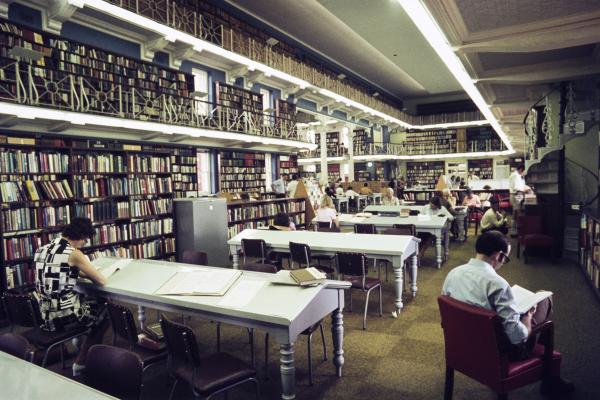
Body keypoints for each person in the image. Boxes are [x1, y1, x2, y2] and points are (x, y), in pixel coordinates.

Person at [442, 231, 574, 395]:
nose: (503, 263)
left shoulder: (453, 273)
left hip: (462, 344)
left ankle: (550, 377)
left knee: (523, 309)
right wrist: (528, 316)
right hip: (499, 352)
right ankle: (550, 380)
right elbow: (518, 337)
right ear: (498, 255)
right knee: (544, 299)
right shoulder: (498, 284)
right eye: (505, 259)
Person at [33, 217, 109, 376]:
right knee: (105, 312)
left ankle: (85, 352)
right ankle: (82, 363)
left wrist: (81, 271)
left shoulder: (43, 248)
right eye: (85, 239)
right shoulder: (74, 253)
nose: (85, 243)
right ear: (81, 235)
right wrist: (90, 273)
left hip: (45, 314)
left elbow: (57, 270)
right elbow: (101, 280)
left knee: (88, 304)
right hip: (64, 316)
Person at [509, 164, 533, 235]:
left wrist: (526, 188)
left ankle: (517, 229)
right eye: (523, 171)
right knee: (517, 212)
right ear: (521, 169)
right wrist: (525, 189)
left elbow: (521, 186)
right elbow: (517, 187)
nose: (523, 172)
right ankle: (515, 230)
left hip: (517, 194)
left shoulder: (517, 175)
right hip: (516, 194)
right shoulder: (515, 175)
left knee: (516, 212)